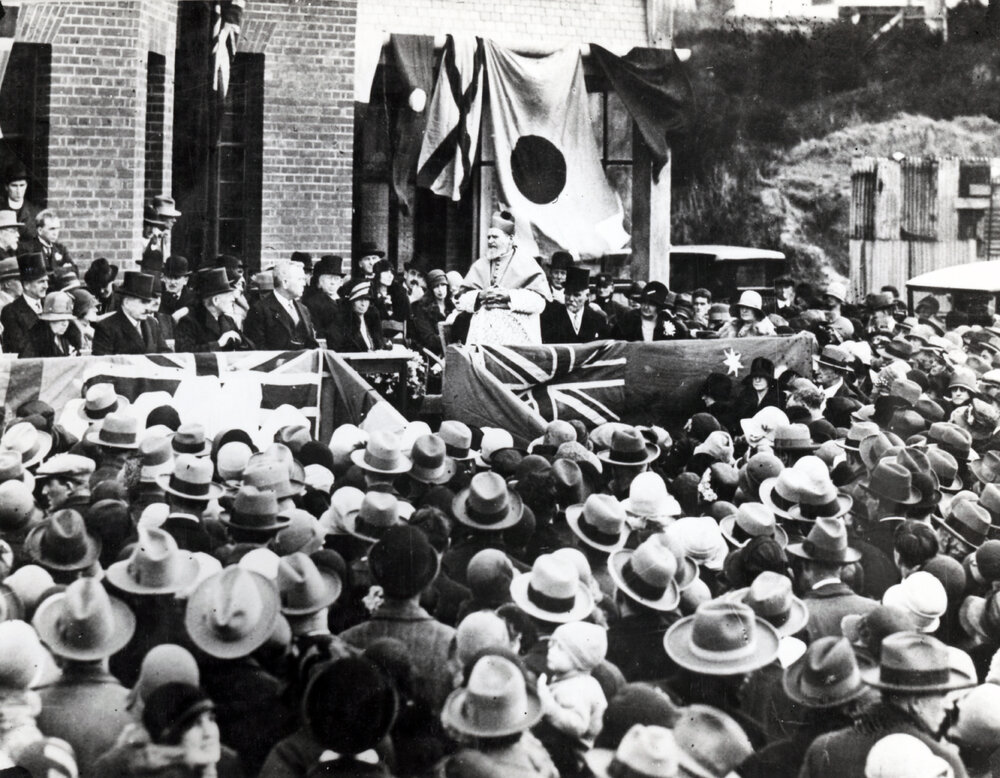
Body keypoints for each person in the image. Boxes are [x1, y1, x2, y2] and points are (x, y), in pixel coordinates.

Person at [454, 211, 552, 346]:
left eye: (495, 237)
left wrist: (509, 296)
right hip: (483, 340)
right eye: (488, 237)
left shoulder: (527, 264)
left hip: (515, 339)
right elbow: (461, 300)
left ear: (510, 239)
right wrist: (480, 295)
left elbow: (539, 303)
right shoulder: (480, 265)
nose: (490, 241)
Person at [244, 260, 318, 351]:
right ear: (285, 282)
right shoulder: (260, 309)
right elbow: (257, 348)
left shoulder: (304, 309)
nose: (304, 283)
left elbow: (312, 345)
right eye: (300, 279)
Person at [92, 271, 171, 355]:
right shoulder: (106, 327)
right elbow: (102, 364)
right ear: (126, 303)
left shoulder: (152, 323)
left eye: (149, 302)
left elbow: (165, 353)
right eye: (143, 302)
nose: (148, 308)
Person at [174, 268, 252, 353]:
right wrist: (218, 344)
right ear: (216, 300)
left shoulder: (228, 320)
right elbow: (184, 353)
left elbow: (249, 347)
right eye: (229, 295)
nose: (233, 299)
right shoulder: (189, 322)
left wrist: (241, 342)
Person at [541, 268, 611, 344]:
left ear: (587, 296)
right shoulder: (551, 318)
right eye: (568, 293)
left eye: (576, 295)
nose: (571, 299)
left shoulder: (597, 319)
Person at [1, 252, 49, 354]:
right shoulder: (11, 311)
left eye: (46, 281)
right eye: (41, 282)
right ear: (26, 285)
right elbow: (20, 347)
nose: (46, 286)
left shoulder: (49, 305)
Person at [326, 279, 385, 352]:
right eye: (359, 299)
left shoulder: (372, 319)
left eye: (366, 299)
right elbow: (338, 349)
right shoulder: (342, 321)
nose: (363, 304)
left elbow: (379, 343)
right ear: (352, 301)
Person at [20, 291, 82, 358]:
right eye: (60, 319)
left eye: (68, 320)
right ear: (48, 321)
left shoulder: (64, 338)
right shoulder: (34, 341)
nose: (65, 324)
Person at [302, 254, 346, 335]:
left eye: (336, 279)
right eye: (329, 278)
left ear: (341, 283)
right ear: (320, 281)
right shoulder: (313, 302)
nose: (332, 282)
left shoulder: (345, 301)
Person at [3, 163, 39, 243]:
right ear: (6, 187)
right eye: (14, 186)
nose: (18, 191)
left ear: (26, 186)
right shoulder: (1, 210)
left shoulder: (35, 213)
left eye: (22, 185)